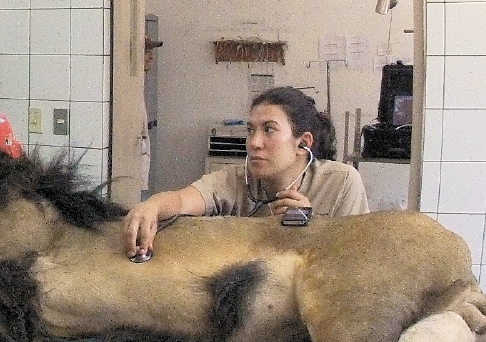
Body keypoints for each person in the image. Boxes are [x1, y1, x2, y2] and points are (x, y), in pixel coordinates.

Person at [123, 86, 369, 258]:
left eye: (269, 130)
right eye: (250, 130)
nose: (254, 143)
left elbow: (355, 260)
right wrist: (152, 206)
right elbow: (182, 200)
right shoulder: (235, 179)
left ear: (303, 143)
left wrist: (313, 229)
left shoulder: (341, 182)